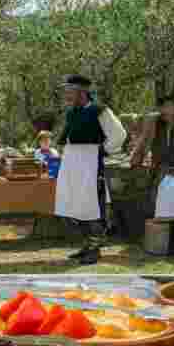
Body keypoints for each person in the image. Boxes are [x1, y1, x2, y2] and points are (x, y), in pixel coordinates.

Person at [54, 74, 127, 265]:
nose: (67, 95)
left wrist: (102, 151)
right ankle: (87, 245)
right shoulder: (71, 112)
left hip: (90, 161)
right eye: (66, 91)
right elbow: (66, 138)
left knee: (91, 204)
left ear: (83, 92)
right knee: (74, 203)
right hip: (72, 162)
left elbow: (119, 134)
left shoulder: (99, 110)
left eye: (71, 91)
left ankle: (95, 248)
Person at [130, 93, 174, 254]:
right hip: (158, 169)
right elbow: (144, 141)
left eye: (170, 106)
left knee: (172, 201)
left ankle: (172, 245)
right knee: (156, 204)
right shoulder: (154, 121)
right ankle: (159, 243)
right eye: (164, 106)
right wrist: (136, 158)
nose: (166, 110)